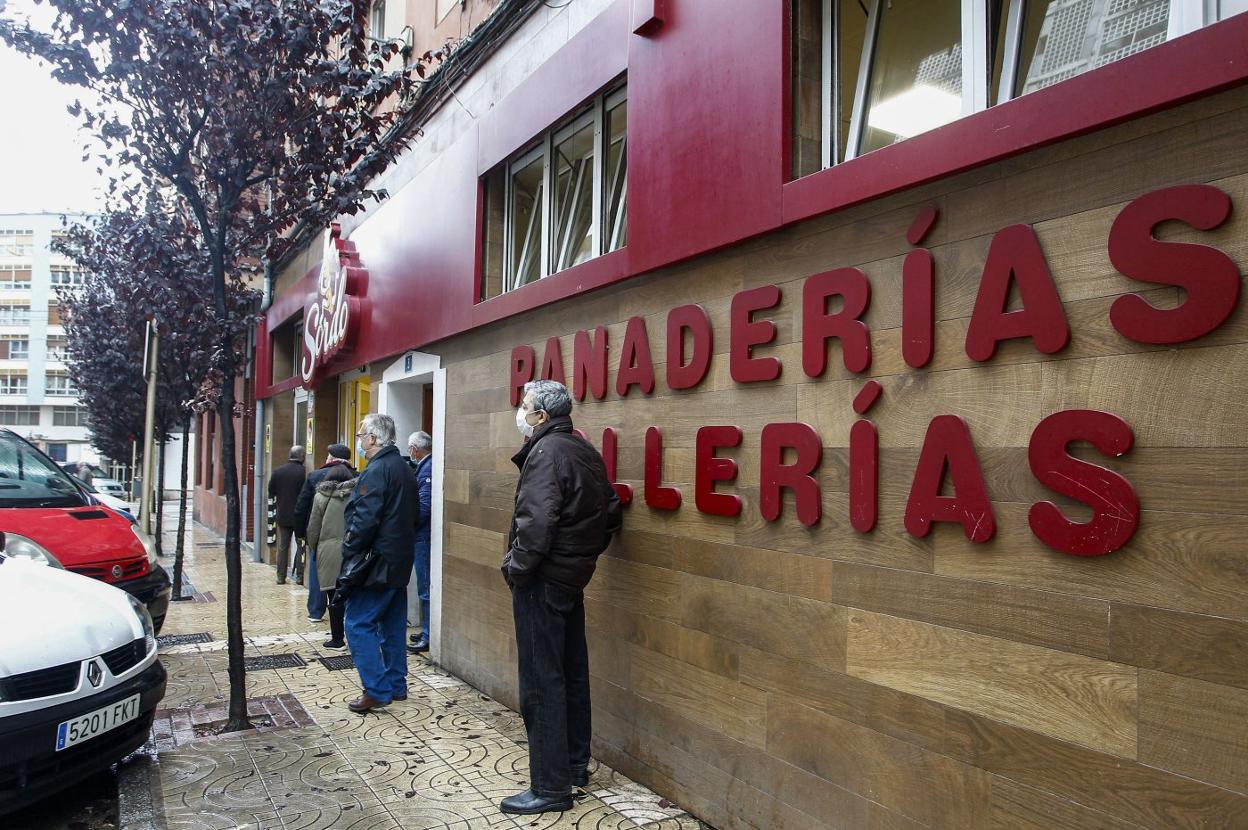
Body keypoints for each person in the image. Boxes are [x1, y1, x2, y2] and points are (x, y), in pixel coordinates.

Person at [499, 380, 622, 815]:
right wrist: (580, 558)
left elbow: (536, 522)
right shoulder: (583, 450)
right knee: (571, 674)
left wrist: (517, 569)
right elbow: (610, 512)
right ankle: (572, 766)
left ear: (542, 416)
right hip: (570, 579)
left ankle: (550, 789)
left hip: (543, 581)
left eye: (525, 406)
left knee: (542, 682)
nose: (520, 411)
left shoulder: (546, 452)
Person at [339, 413, 417, 713]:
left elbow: (364, 520)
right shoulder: (404, 467)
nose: (359, 441)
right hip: (398, 562)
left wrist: (349, 549)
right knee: (393, 626)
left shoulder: (377, 470)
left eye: (361, 436)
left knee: (357, 624)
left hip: (375, 565)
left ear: (372, 438)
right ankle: (396, 684)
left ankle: (376, 689)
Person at [294, 444, 356, 622]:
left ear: (331, 458)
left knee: (318, 574)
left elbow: (302, 507)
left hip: (321, 536)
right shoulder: (357, 477)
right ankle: (344, 612)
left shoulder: (315, 476)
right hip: (349, 537)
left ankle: (315, 611)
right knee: (346, 575)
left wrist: (302, 534)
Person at [305, 462, 358, 651]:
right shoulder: (358, 493)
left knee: (333, 596)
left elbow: (313, 527)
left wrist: (314, 547)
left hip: (327, 551)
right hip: (352, 549)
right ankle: (356, 637)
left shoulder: (321, 496)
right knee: (353, 595)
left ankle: (337, 639)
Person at [406, 431, 433, 654]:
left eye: (410, 448)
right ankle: (425, 629)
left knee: (425, 589)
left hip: (423, 537)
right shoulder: (424, 466)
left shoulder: (428, 468)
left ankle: (428, 634)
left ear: (415, 449)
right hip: (420, 536)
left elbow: (424, 507)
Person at [268, 445, 307, 585]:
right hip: (300, 516)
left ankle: (280, 576)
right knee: (301, 546)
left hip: (283, 514)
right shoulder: (304, 472)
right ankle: (300, 576)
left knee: (283, 546)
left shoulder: (278, 471)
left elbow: (271, 490)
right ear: (301, 456)